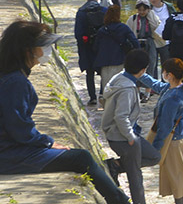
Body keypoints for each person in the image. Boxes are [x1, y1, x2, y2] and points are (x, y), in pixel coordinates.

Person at [0, 20, 130, 204]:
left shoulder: (11, 75)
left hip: (9, 149)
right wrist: (47, 142)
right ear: (27, 49)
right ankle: (119, 200)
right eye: (43, 46)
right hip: (9, 155)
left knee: (80, 156)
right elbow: (19, 128)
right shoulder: (16, 82)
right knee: (81, 157)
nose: (47, 50)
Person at [102, 49, 164, 204]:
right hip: (123, 137)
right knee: (135, 175)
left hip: (123, 133)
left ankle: (115, 165)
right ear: (143, 70)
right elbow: (121, 117)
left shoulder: (119, 77)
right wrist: (130, 137)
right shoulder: (128, 89)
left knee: (154, 156)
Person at [149, 59, 183, 204]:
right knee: (178, 179)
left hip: (173, 143)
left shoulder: (173, 98)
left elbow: (165, 126)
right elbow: (156, 85)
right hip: (180, 138)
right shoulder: (179, 88)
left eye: (163, 72)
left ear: (168, 75)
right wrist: (140, 74)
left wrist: (156, 147)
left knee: (177, 182)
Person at [94, 6, 138, 100]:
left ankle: (108, 107)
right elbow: (135, 42)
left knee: (107, 88)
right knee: (119, 87)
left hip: (104, 62)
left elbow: (95, 47)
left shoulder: (102, 30)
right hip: (119, 60)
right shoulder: (123, 28)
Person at [74, 0, 106, 105]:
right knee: (104, 70)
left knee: (90, 72)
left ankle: (92, 97)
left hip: (87, 46)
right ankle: (102, 94)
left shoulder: (81, 12)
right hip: (101, 45)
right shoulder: (103, 10)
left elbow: (77, 33)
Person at [130, 0, 162, 80]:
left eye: (144, 10)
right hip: (138, 43)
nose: (142, 12)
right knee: (137, 65)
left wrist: (150, 14)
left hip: (150, 43)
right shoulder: (133, 18)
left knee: (151, 63)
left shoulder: (152, 17)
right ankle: (138, 85)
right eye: (140, 10)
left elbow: (156, 26)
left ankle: (150, 87)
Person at [147, 0, 175, 65]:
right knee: (152, 64)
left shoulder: (169, 7)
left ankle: (165, 77)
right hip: (153, 41)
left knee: (166, 64)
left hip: (166, 41)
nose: (152, 0)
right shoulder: (148, 9)